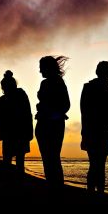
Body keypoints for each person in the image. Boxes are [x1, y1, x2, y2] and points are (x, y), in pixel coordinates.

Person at [80, 61, 108, 195]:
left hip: (97, 132)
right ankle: (97, 192)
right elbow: (84, 112)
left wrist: (107, 125)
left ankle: (95, 191)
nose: (107, 74)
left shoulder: (91, 88)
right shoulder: (92, 88)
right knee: (98, 165)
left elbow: (84, 113)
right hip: (96, 132)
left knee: (96, 165)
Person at [35, 56, 70, 194]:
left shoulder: (58, 82)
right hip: (43, 125)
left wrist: (50, 114)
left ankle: (56, 189)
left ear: (47, 68)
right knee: (48, 158)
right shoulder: (44, 83)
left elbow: (66, 105)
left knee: (53, 158)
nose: (39, 71)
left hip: (53, 125)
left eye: (41, 67)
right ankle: (52, 188)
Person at [0, 70, 33, 178]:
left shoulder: (20, 95)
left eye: (4, 87)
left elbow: (27, 114)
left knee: (15, 162)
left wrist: (29, 132)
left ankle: (15, 186)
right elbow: (1, 119)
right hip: (12, 134)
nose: (4, 89)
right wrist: (1, 131)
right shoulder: (2, 100)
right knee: (13, 162)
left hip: (19, 133)